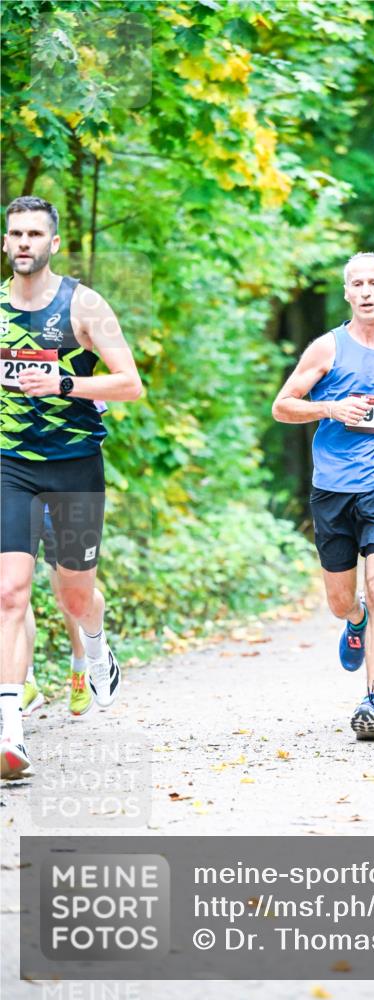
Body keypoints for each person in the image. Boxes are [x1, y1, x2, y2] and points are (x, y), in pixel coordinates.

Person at [0, 196, 142, 779]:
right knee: (10, 592)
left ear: (53, 243)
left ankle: (97, 644)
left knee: (75, 597)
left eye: (35, 234)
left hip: (75, 465)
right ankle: (11, 732)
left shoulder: (83, 304)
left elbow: (130, 383)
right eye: (16, 233)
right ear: (5, 242)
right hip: (10, 465)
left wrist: (64, 383)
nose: (24, 242)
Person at [272, 252, 374, 740]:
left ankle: (373, 702)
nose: (366, 292)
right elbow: (282, 406)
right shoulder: (327, 349)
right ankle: (356, 619)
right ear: (347, 293)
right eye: (357, 284)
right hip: (333, 486)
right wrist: (331, 408)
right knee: (340, 600)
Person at [21, 507, 93, 720]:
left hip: (59, 505)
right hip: (19, 500)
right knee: (15, 595)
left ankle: (80, 670)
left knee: (67, 598)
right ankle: (26, 680)